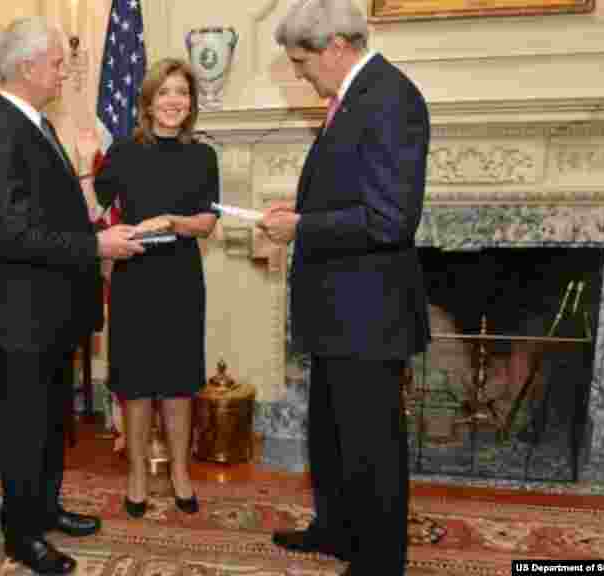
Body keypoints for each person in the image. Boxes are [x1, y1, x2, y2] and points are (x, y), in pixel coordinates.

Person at [0, 17, 144, 576]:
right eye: (58, 62)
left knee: (48, 422)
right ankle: (21, 534)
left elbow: (53, 212)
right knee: (23, 430)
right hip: (20, 316)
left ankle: (44, 508)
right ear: (26, 67)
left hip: (50, 312)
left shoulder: (34, 125)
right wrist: (96, 244)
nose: (64, 71)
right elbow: (14, 233)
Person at [258, 0, 431, 573]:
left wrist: (302, 225)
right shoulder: (351, 98)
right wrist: (300, 211)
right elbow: (347, 193)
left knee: (371, 449)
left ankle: (378, 562)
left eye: (303, 62)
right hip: (339, 309)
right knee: (333, 437)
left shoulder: (391, 98)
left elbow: (389, 220)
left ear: (336, 46)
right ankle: (336, 529)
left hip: (369, 311)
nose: (301, 75)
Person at [79, 58, 219, 519]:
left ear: (191, 104)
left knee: (178, 387)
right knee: (137, 388)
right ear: (149, 101)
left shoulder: (203, 155)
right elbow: (91, 209)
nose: (174, 101)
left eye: (182, 93)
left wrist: (172, 221)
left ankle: (180, 472)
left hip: (181, 282)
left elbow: (207, 223)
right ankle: (137, 474)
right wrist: (84, 164)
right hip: (134, 283)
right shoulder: (123, 151)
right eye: (165, 92)